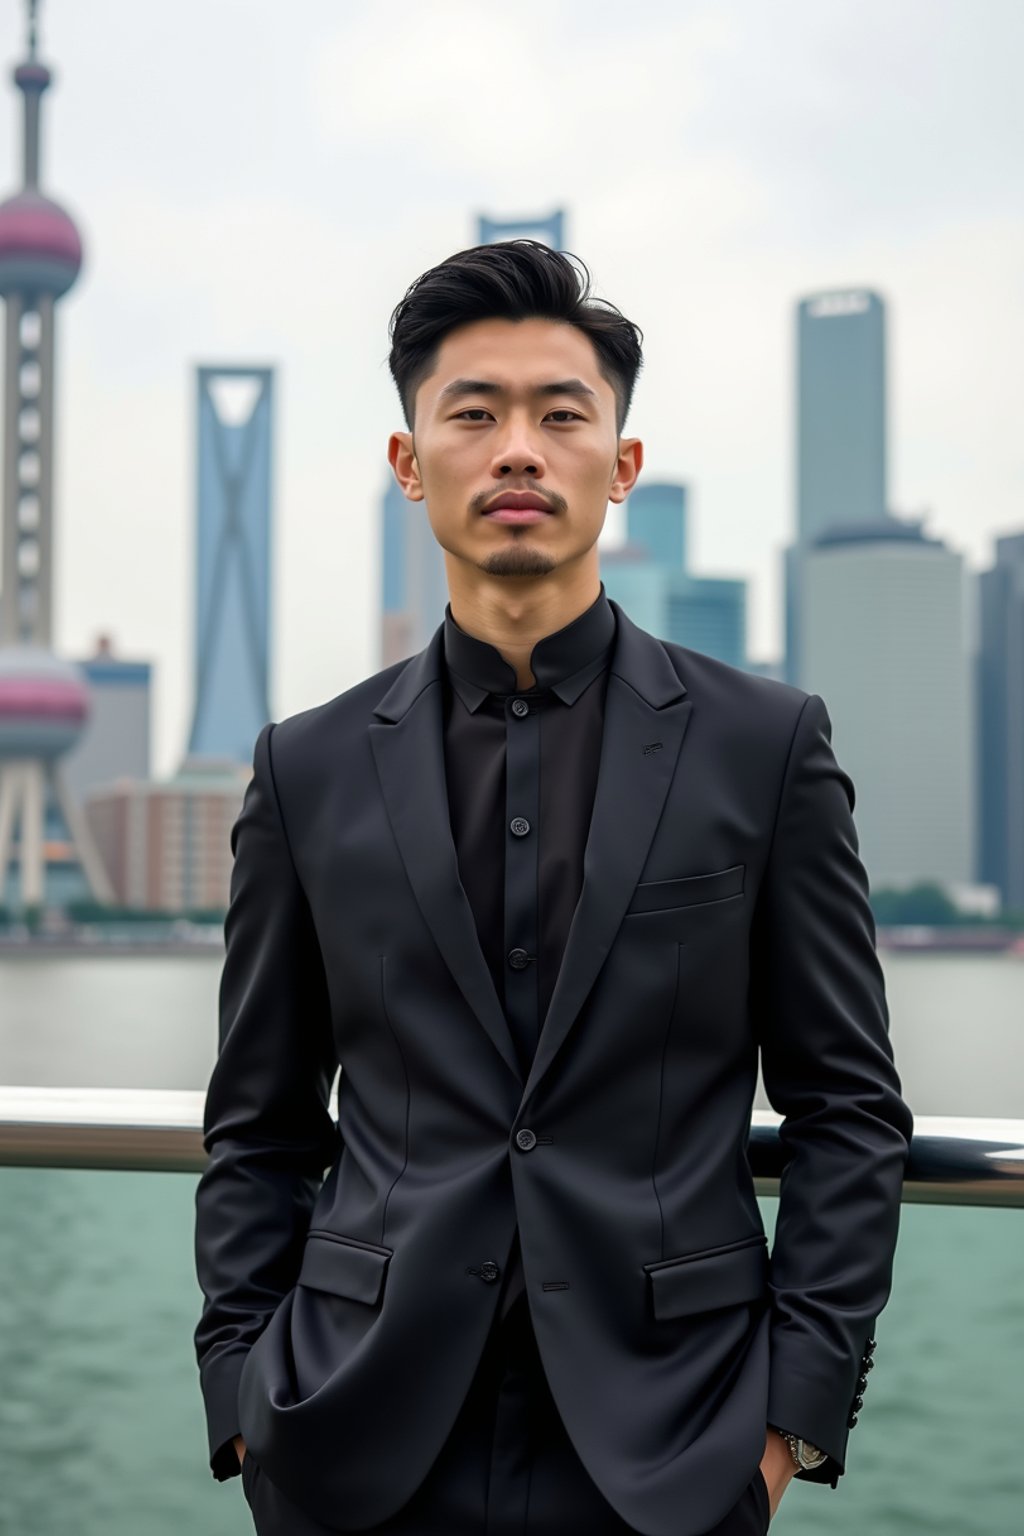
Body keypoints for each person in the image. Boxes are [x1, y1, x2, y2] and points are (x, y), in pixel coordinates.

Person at [193, 239, 913, 1536]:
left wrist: (791, 1421)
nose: (517, 449)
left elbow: (848, 1107)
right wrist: (244, 1399)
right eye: (473, 413)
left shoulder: (765, 745)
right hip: (352, 1442)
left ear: (621, 468)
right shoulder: (304, 768)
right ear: (410, 466)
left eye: (560, 414)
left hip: (672, 1449)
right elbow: (259, 1122)